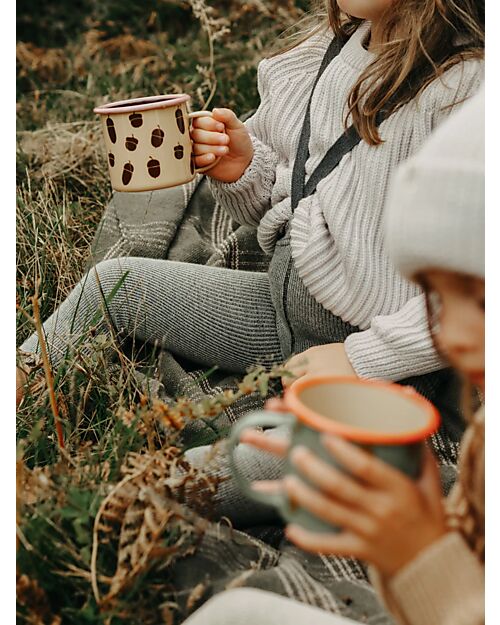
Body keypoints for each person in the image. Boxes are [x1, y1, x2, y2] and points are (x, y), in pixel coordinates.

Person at [18, 0, 483, 515]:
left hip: (397, 368)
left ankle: (117, 502)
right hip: (283, 313)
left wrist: (361, 360)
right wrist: (243, 170)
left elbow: (477, 287)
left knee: (277, 462)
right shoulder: (334, 52)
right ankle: (20, 383)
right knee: (118, 283)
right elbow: (298, 200)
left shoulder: (463, 95)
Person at [180, 83, 485, 625]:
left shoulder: (459, 93)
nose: (455, 333)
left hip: (374, 374)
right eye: (436, 296)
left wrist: (423, 558)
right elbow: (304, 207)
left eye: (484, 302)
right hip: (286, 323)